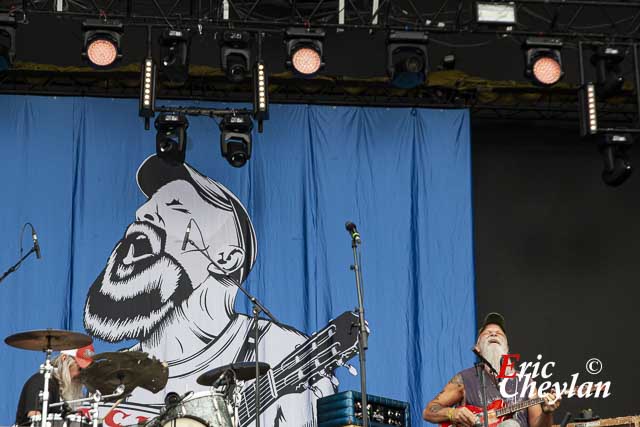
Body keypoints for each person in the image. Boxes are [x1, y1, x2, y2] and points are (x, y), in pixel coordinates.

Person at [83, 156, 336, 427]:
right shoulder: (116, 374)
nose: (142, 213)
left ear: (226, 258)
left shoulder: (280, 351)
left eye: (175, 206)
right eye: (147, 204)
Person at [422, 313, 561, 427]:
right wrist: (453, 414)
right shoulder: (464, 379)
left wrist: (547, 412)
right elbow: (428, 411)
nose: (493, 334)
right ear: (477, 348)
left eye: (499, 333)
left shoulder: (525, 382)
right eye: (487, 333)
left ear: (507, 348)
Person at [15, 345, 94, 426]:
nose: (81, 375)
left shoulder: (68, 390)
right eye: (80, 369)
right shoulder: (42, 382)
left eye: (85, 370)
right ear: (64, 358)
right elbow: (35, 420)